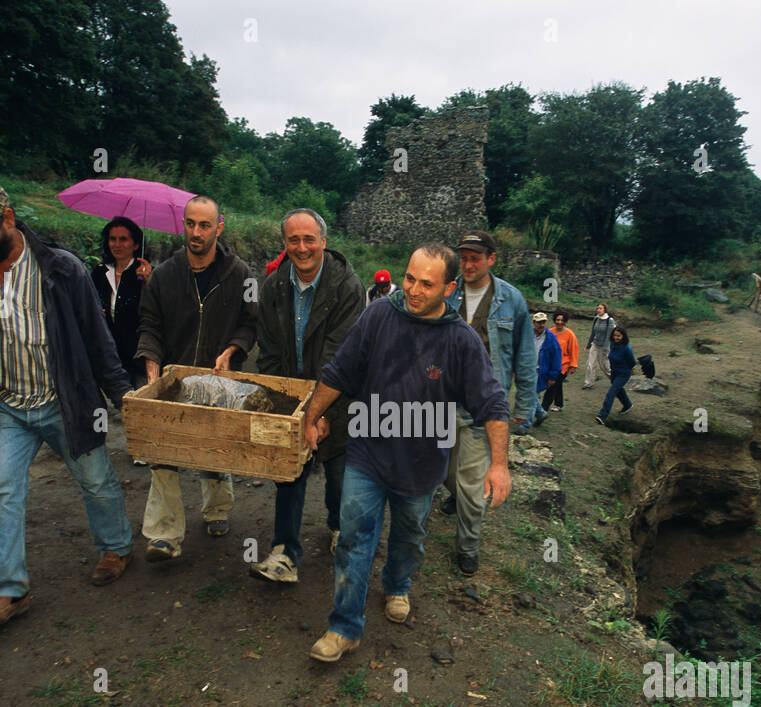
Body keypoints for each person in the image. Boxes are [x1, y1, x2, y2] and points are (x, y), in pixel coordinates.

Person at [0, 177, 135, 627]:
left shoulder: (61, 268)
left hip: (66, 398)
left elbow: (98, 340)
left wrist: (122, 398)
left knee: (95, 479)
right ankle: (8, 590)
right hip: (4, 404)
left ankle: (115, 548)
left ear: (9, 219)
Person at [300, 244, 510, 662]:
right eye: (410, 278)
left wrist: (499, 464)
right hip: (368, 451)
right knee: (355, 540)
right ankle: (344, 628)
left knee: (409, 536)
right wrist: (312, 415)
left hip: (422, 462)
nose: (412, 290)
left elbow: (491, 402)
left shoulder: (461, 340)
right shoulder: (378, 315)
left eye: (426, 284)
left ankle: (397, 585)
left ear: (449, 288)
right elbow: (340, 370)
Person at [135, 195, 256, 554]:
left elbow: (251, 323)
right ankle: (164, 533)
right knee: (163, 451)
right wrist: (152, 363)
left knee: (216, 449)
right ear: (183, 225)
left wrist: (233, 350)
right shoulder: (164, 275)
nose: (196, 232)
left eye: (205, 225)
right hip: (175, 376)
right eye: (190, 224)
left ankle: (216, 508)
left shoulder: (241, 274)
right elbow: (149, 324)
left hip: (220, 378)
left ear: (219, 227)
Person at [251, 208, 365, 583]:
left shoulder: (347, 287)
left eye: (309, 239)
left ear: (323, 242)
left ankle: (335, 525)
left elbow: (341, 357)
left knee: (337, 476)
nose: (302, 248)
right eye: (293, 240)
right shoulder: (272, 287)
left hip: (339, 397)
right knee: (288, 474)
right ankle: (285, 552)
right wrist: (282, 409)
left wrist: (320, 415)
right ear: (284, 244)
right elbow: (267, 352)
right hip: (290, 399)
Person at [436, 229, 536, 577]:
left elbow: (525, 357)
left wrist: (524, 408)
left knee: (475, 486)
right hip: (442, 401)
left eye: (475, 257)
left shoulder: (512, 300)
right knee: (445, 471)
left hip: (483, 408)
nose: (467, 263)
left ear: (491, 259)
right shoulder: (446, 292)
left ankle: (467, 547)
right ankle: (456, 493)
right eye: (463, 257)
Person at [91, 217, 152, 389]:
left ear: (135, 245)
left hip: (138, 355)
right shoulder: (99, 273)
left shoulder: (145, 274)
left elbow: (159, 309)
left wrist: (150, 281)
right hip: (109, 353)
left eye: (123, 239)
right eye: (112, 239)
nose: (117, 244)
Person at [595, 326, 636, 424]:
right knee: (618, 390)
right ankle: (627, 405)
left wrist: (630, 369)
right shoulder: (613, 344)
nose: (616, 338)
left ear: (623, 336)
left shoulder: (626, 348)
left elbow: (632, 362)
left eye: (618, 336)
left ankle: (602, 416)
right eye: (614, 335)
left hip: (623, 374)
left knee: (611, 393)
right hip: (614, 372)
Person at [543, 310, 578, 410]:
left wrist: (573, 366)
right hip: (551, 365)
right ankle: (559, 404)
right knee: (557, 385)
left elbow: (573, 350)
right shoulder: (550, 332)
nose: (559, 322)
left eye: (562, 320)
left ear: (565, 321)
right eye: (558, 320)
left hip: (563, 365)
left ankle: (543, 408)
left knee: (552, 386)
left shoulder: (570, 334)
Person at [532, 311, 561, 425]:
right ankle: (540, 413)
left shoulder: (551, 338)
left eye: (543, 322)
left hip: (541, 370)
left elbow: (556, 357)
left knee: (530, 394)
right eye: (539, 322)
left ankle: (525, 424)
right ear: (534, 323)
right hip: (528, 369)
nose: (541, 325)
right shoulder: (527, 335)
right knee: (530, 394)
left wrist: (553, 376)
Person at [582, 302, 616, 388]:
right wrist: (589, 343)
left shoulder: (610, 321)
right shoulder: (596, 319)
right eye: (597, 308)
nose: (598, 310)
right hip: (595, 344)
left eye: (600, 308)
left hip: (604, 346)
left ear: (605, 310)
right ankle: (588, 383)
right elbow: (593, 332)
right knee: (590, 364)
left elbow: (609, 336)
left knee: (604, 366)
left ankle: (615, 380)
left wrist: (605, 350)